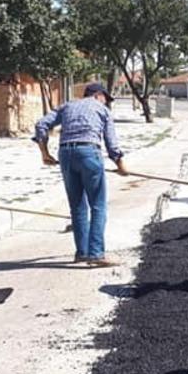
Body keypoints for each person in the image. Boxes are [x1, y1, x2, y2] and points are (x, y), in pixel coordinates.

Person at [33, 82, 128, 267]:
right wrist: (120, 164)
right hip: (89, 153)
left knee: (77, 206)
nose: (106, 103)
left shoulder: (67, 105)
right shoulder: (102, 110)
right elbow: (111, 143)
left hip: (66, 154)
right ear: (98, 95)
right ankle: (96, 254)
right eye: (106, 99)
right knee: (98, 205)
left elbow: (41, 124)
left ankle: (82, 253)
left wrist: (44, 153)